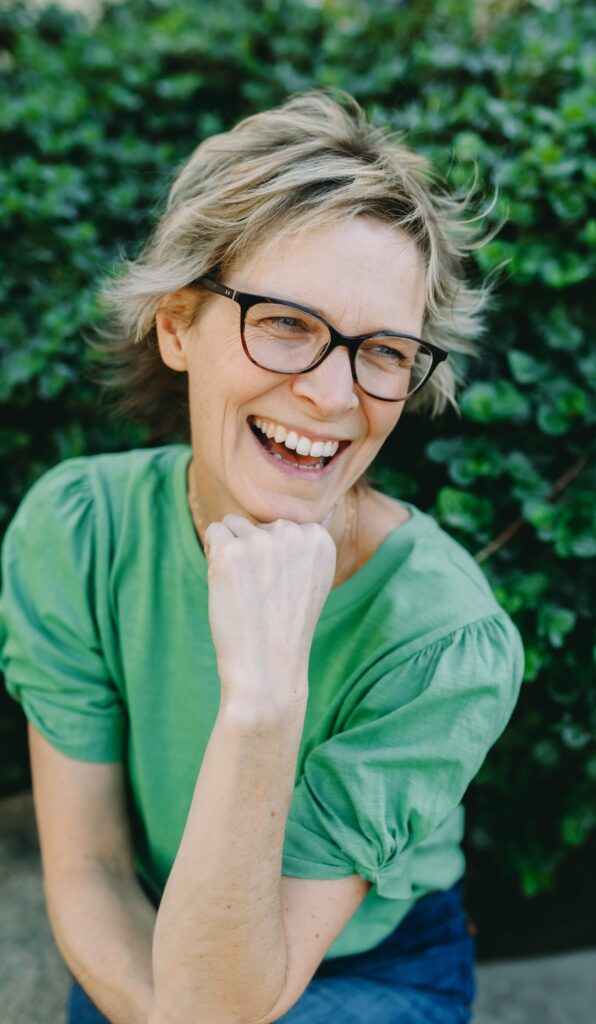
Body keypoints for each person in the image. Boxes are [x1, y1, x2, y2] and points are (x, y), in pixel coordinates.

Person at [0, 90, 524, 1024]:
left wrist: (266, 698)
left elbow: (229, 1003)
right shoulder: (77, 534)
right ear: (176, 326)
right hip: (156, 934)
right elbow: (88, 868)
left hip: (376, 964)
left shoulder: (445, 639)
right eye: (284, 321)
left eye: (384, 351)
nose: (331, 394)